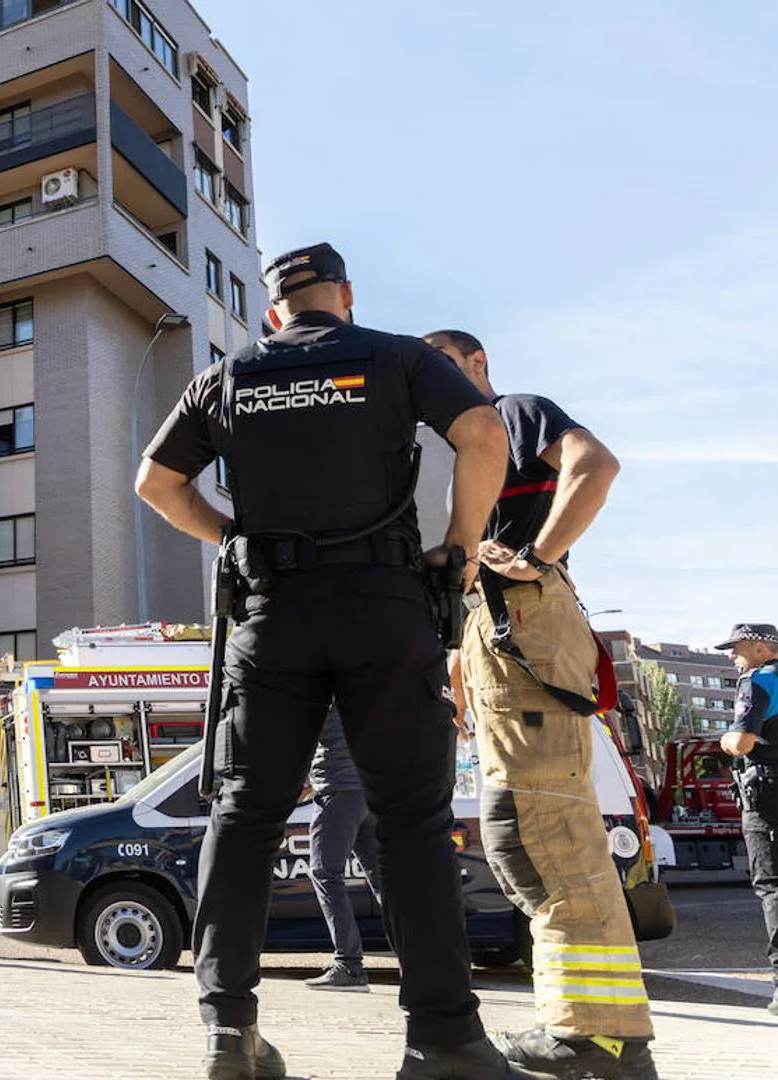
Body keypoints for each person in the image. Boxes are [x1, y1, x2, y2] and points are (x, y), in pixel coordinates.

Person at [135, 242, 518, 1079]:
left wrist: (234, 536)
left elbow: (156, 486)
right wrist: (458, 549)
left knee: (244, 816)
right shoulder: (396, 356)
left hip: (272, 616)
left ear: (275, 312)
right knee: (411, 821)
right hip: (384, 606)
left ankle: (228, 1034)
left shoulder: (226, 377)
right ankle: (444, 1040)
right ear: (343, 296)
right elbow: (484, 433)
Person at [430, 329, 657, 1078]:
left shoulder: (513, 414)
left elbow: (596, 466)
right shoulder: (471, 452)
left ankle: (599, 1038)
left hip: (526, 634)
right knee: (526, 838)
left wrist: (539, 556)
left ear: (477, 366)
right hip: (506, 649)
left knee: (543, 838)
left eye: (443, 369)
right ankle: (595, 1031)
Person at [716, 623, 778, 1017]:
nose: (730, 656)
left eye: (736, 649)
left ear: (760, 649)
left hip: (769, 795)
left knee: (773, 886)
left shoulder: (757, 681)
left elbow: (741, 743)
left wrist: (724, 741)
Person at [304, 708, 385, 991]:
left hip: (337, 789)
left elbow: (301, 741)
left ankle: (348, 965)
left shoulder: (321, 690)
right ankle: (419, 961)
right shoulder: (363, 685)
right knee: (382, 878)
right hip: (370, 790)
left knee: (325, 873)